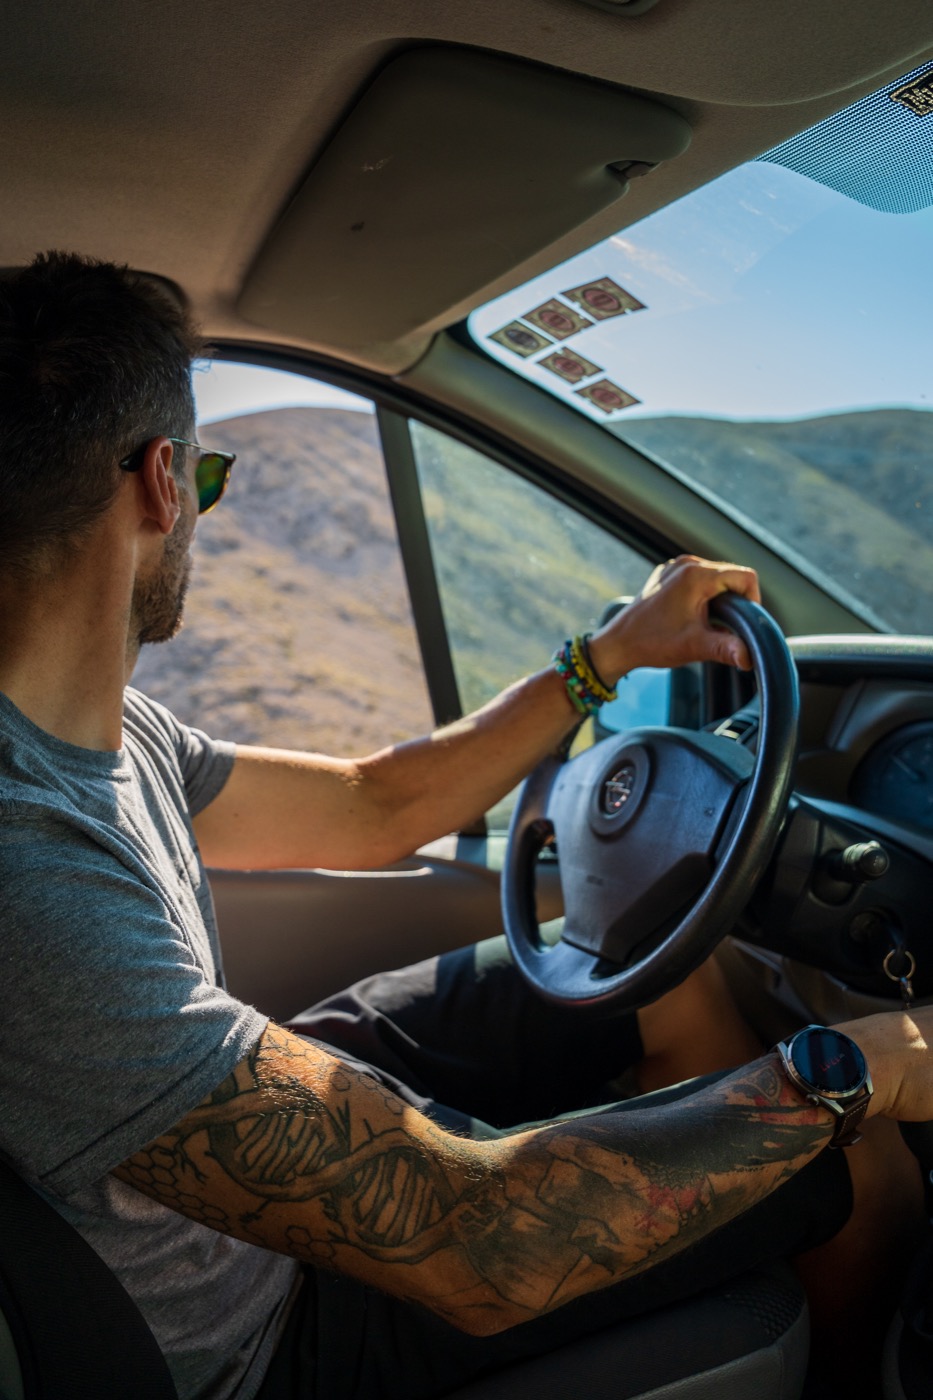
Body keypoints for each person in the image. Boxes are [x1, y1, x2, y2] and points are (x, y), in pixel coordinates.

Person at [0, 251, 929, 1400]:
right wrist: (864, 1070)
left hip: (228, 1200)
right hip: (260, 1332)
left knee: (640, 968)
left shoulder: (105, 732)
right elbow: (470, 1237)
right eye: (211, 475)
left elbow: (374, 802)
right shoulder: (31, 876)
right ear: (161, 482)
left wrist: (607, 658)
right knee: (856, 1158)